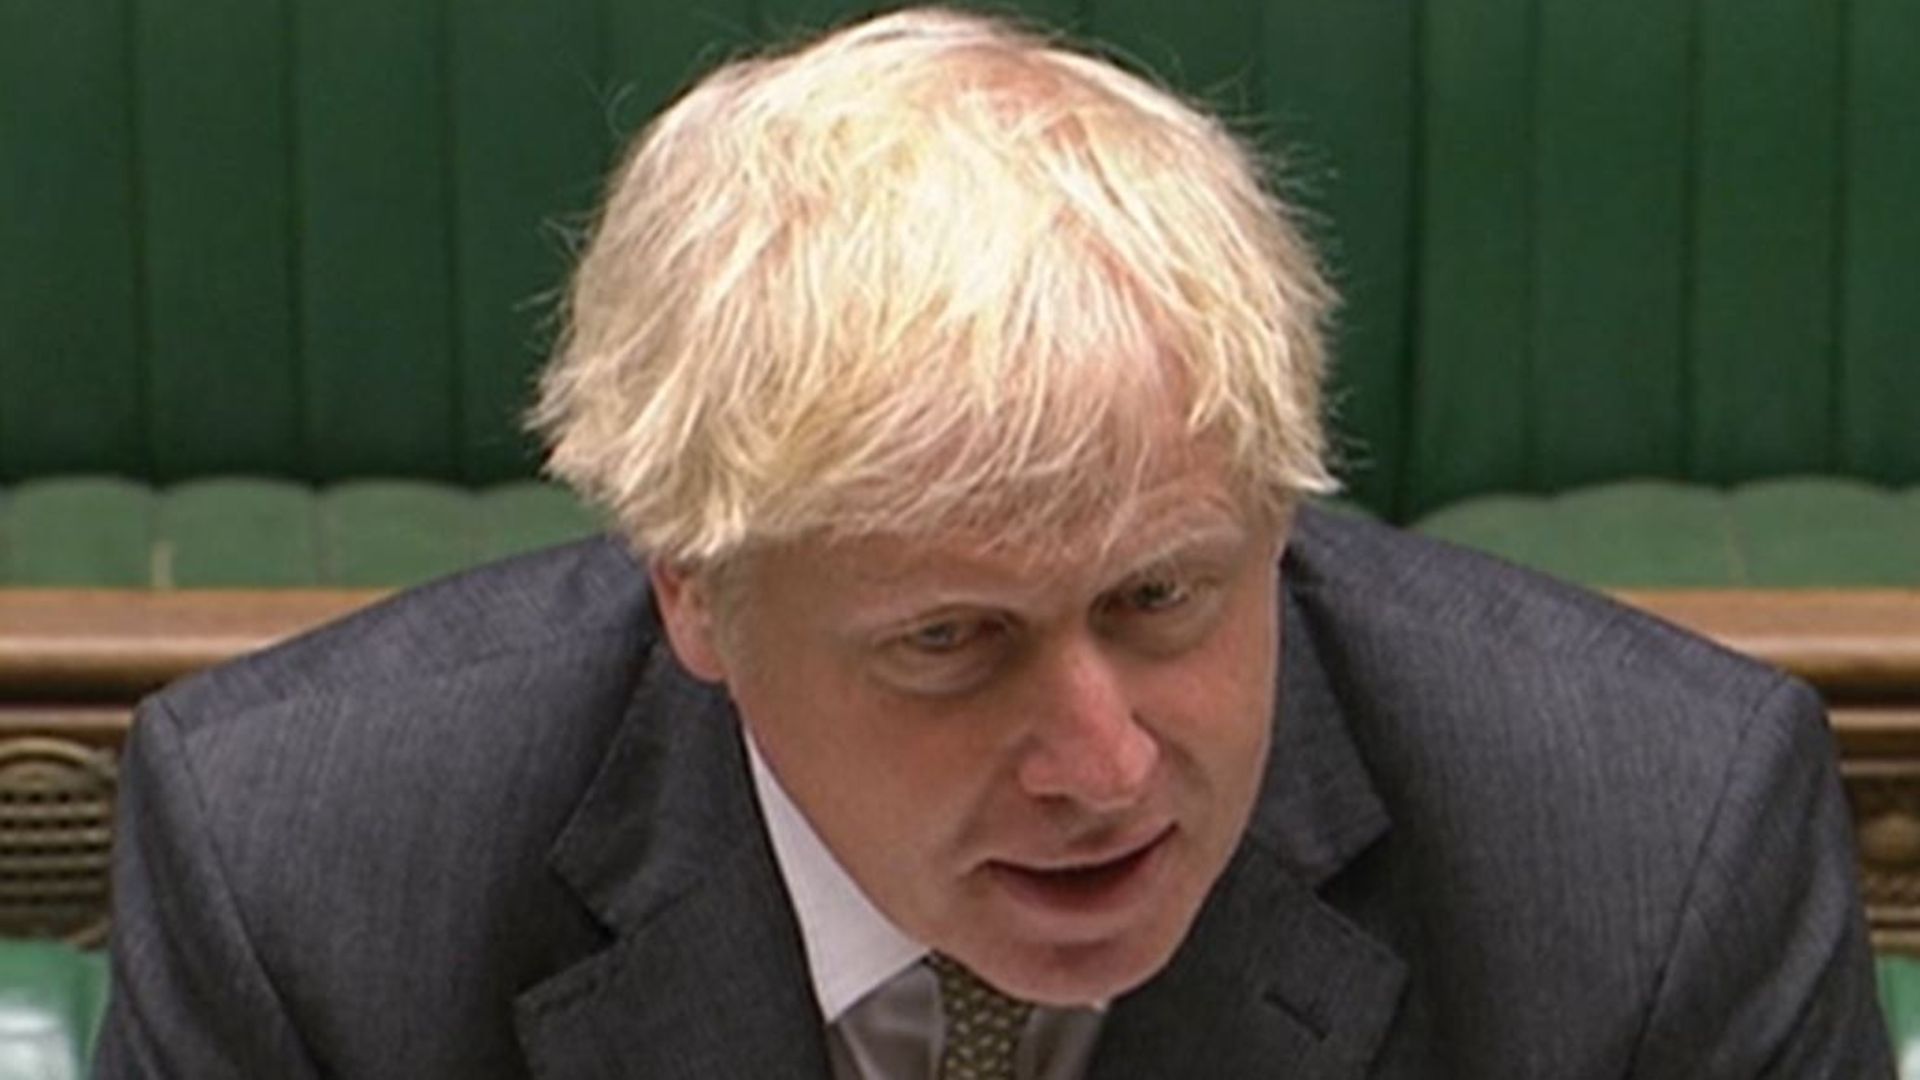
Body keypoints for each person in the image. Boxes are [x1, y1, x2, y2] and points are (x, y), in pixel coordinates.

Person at [95, 7, 1889, 1078]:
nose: (1105, 765)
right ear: (694, 594)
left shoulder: (1660, 848)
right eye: (952, 641)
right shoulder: (302, 876)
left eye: (1164, 595)